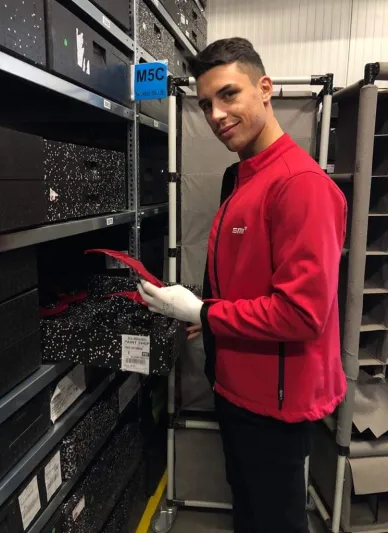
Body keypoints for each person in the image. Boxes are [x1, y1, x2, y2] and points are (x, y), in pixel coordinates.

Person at [138, 37, 347, 533]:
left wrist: (203, 313)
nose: (216, 115)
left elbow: (301, 314)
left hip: (273, 407)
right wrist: (208, 315)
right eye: (206, 104)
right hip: (239, 388)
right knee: (250, 514)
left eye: (229, 94)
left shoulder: (299, 185)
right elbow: (250, 279)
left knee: (273, 520)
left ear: (265, 89)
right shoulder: (245, 177)